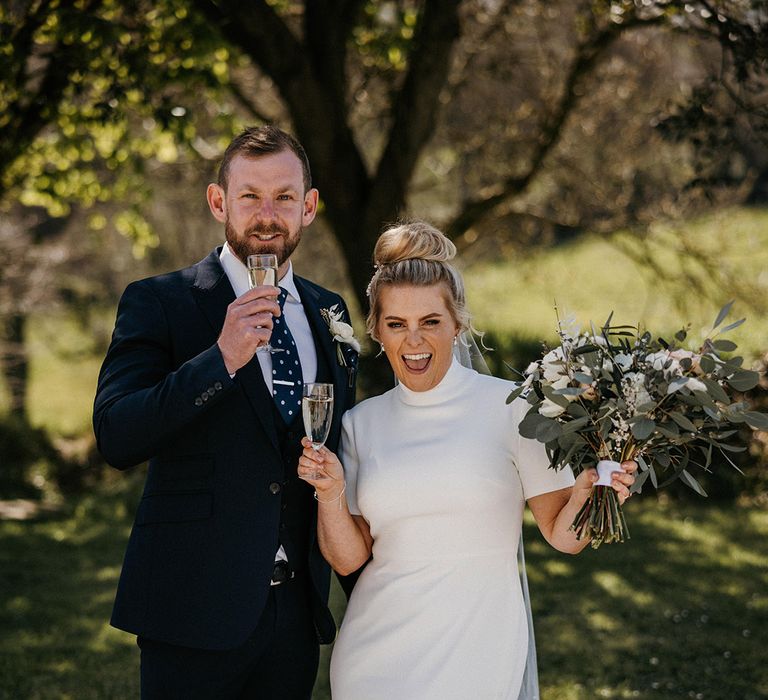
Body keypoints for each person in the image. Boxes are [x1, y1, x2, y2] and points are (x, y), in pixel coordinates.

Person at [298, 220, 636, 699]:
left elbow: (563, 538)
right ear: (376, 330)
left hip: (481, 651)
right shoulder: (360, 423)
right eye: (397, 325)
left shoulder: (514, 409)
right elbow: (349, 557)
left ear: (457, 323)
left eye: (430, 322)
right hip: (374, 656)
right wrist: (330, 494)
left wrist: (589, 491)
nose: (413, 341)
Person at [93, 125, 358, 699]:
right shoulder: (160, 301)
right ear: (219, 203)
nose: (268, 214)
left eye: (284, 197)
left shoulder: (329, 311)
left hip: (294, 615)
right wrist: (221, 359)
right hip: (190, 608)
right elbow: (116, 434)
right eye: (250, 196)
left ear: (308, 207)